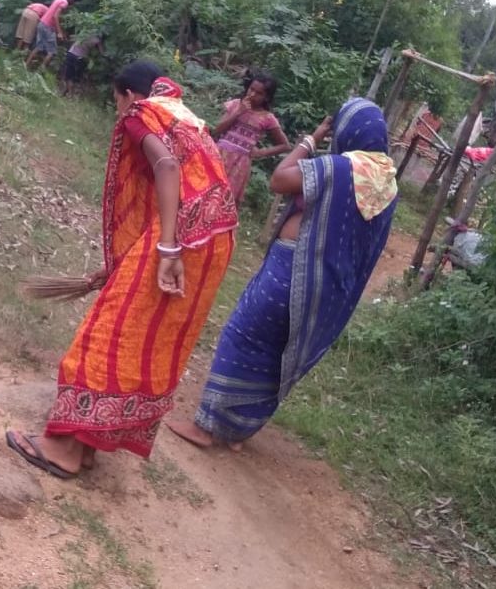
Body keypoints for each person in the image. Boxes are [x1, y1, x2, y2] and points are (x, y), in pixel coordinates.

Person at [6, 62, 238, 478]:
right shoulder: (184, 117)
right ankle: (88, 443)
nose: (118, 111)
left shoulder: (141, 114)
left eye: (116, 101)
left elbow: (167, 168)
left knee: (109, 333)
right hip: (215, 241)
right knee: (144, 341)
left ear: (129, 94)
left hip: (182, 239)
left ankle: (63, 449)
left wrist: (168, 248)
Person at [167, 98, 398, 449]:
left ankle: (208, 427)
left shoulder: (339, 168)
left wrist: (311, 140)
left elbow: (279, 179)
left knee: (243, 336)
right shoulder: (387, 185)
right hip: (327, 287)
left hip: (289, 272)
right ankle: (237, 430)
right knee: (276, 353)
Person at [213, 71, 290, 207]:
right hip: (219, 154)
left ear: (266, 97)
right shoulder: (235, 105)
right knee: (208, 190)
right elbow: (217, 130)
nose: (252, 94)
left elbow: (285, 145)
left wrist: (261, 152)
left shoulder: (267, 118)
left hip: (240, 163)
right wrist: (238, 112)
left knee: (226, 200)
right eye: (251, 89)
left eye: (259, 93)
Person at [25, 0, 82, 69]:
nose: (73, 4)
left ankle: (26, 65)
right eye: (74, 1)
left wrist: (61, 31)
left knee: (38, 47)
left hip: (42, 23)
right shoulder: (65, 3)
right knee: (51, 52)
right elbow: (55, 16)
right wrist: (59, 33)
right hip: (48, 27)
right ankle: (40, 71)